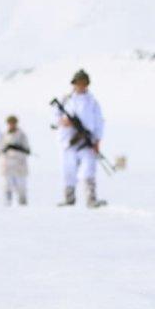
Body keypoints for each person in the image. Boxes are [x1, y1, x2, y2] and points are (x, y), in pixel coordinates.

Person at [57, 69, 106, 208]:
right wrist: (64, 121)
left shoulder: (93, 102)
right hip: (67, 141)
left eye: (84, 83)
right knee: (68, 171)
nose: (81, 85)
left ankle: (91, 198)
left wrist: (97, 140)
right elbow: (54, 117)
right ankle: (69, 198)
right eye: (79, 82)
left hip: (86, 141)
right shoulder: (65, 100)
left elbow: (99, 122)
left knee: (88, 169)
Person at [0, 115, 31, 206]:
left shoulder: (22, 135)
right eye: (10, 123)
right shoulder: (3, 135)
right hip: (7, 165)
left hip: (19, 164)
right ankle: (7, 203)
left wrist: (16, 148)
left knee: (21, 186)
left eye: (13, 123)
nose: (11, 125)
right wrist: (6, 148)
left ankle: (22, 203)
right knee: (6, 185)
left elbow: (27, 150)